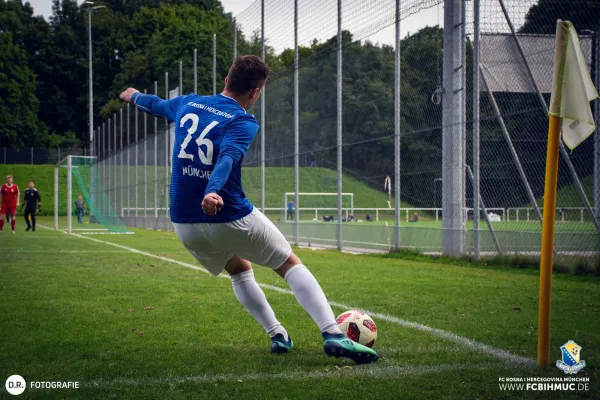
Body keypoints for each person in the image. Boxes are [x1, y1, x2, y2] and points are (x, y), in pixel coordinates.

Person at [119, 55, 377, 364]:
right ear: (255, 92)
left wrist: (133, 95)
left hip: (185, 223)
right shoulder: (241, 120)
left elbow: (156, 104)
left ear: (226, 80)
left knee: (239, 269)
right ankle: (333, 334)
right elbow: (226, 157)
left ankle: (279, 335)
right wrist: (212, 191)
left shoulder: (188, 103)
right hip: (227, 214)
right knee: (289, 264)